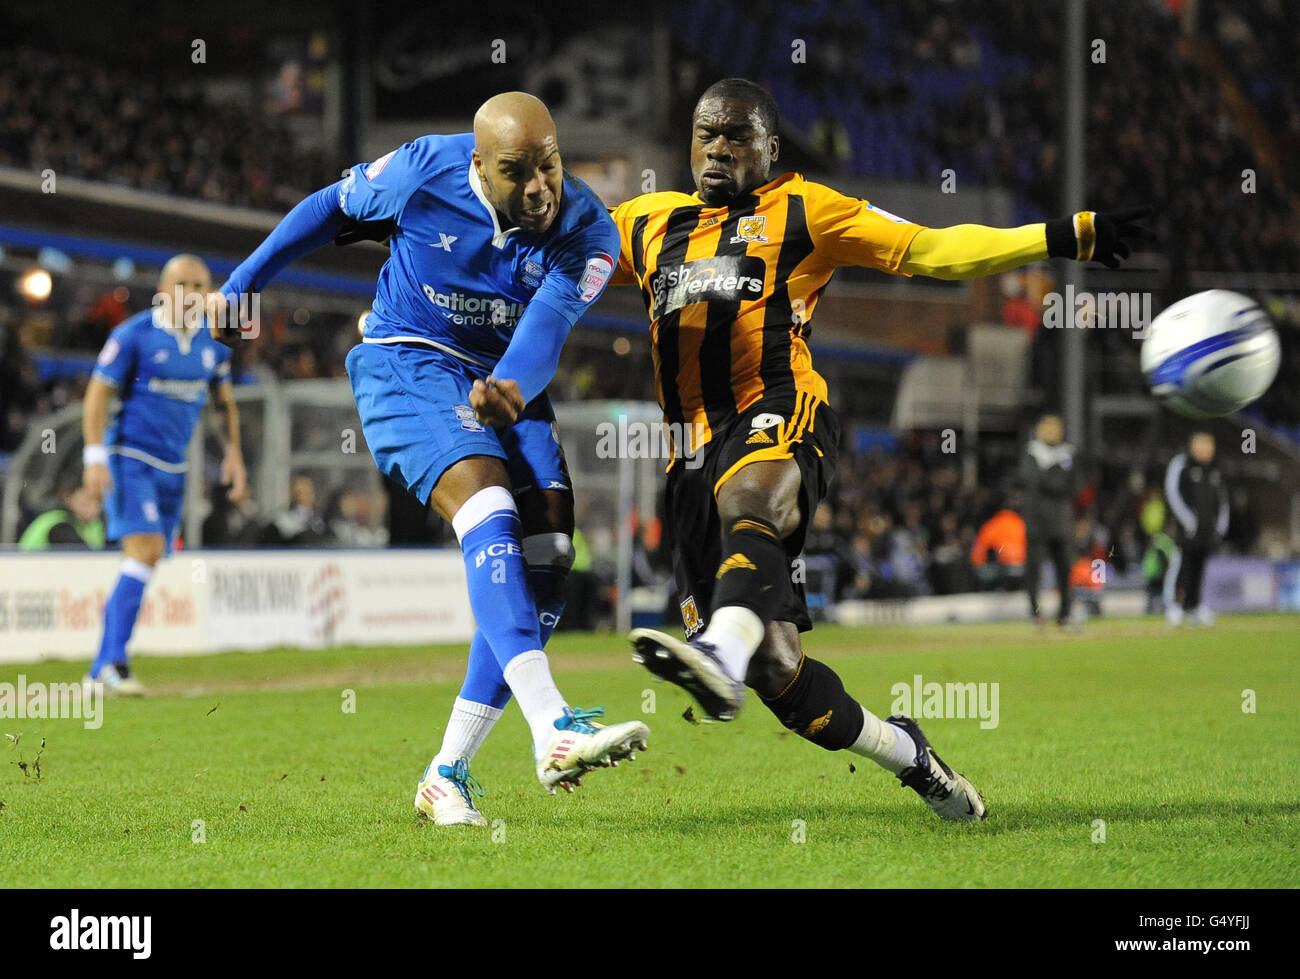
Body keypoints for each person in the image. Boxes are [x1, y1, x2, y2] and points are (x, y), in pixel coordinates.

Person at [609, 77, 1150, 822]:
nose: (719, 148)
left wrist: (1060, 236)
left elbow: (933, 250)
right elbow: (550, 265)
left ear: (770, 147)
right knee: (784, 675)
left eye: (738, 135)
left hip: (780, 408)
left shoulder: (806, 208)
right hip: (688, 457)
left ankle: (718, 654)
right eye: (706, 133)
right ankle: (910, 754)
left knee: (753, 498)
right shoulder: (645, 221)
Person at [217, 92, 648, 824]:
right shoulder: (420, 170)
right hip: (406, 363)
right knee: (489, 505)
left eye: (551, 164)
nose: (542, 186)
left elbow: (547, 325)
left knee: (549, 554)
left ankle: (447, 772)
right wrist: (246, 278)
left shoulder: (590, 230)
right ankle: (553, 725)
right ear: (480, 166)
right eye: (519, 172)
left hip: (504, 379)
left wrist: (511, 384)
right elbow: (327, 207)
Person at [82, 254, 247, 695]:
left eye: (199, 286)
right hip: (130, 459)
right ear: (163, 291)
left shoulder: (215, 345)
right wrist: (94, 457)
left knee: (145, 559)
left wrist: (234, 455)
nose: (191, 295)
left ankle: (100, 668)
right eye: (182, 286)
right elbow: (97, 394)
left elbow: (224, 404)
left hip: (176, 469)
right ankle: (113, 664)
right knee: (145, 549)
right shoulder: (133, 335)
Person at [1164, 431, 1228, 626]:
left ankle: (1195, 606)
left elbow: (1222, 501)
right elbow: (1173, 493)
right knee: (1182, 567)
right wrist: (1188, 520)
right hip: (1187, 531)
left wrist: (1220, 525)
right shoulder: (1182, 465)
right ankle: (1175, 606)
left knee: (1200, 569)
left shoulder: (1214, 470)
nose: (1206, 450)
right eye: (1202, 445)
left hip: (1207, 531)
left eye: (1209, 446)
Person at [1020, 414, 1078, 627]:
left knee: (1064, 569)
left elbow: (1073, 485)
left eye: (1057, 428)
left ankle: (1065, 613)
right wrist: (1055, 478)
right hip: (1037, 520)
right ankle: (1035, 613)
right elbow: (1027, 478)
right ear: (1040, 430)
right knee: (1033, 570)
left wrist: (1047, 477)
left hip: (1062, 522)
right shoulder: (1032, 452)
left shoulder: (1068, 453)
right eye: (1049, 428)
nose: (1053, 432)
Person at [18, 482, 105, 550]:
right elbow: (83, 555)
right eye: (84, 503)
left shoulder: (95, 524)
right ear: (69, 499)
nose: (91, 508)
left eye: (96, 501)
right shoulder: (58, 523)